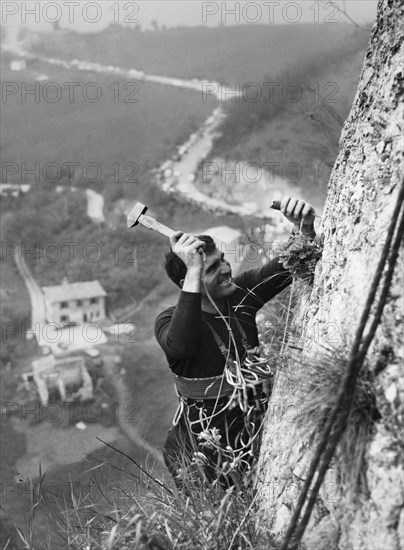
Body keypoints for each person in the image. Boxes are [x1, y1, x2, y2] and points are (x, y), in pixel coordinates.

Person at [155, 196, 316, 489]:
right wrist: (193, 269)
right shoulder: (169, 322)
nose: (227, 269)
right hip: (200, 454)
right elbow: (180, 346)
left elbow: (284, 268)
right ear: (188, 282)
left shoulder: (237, 296)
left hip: (251, 435)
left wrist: (302, 228)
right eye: (213, 268)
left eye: (223, 260)